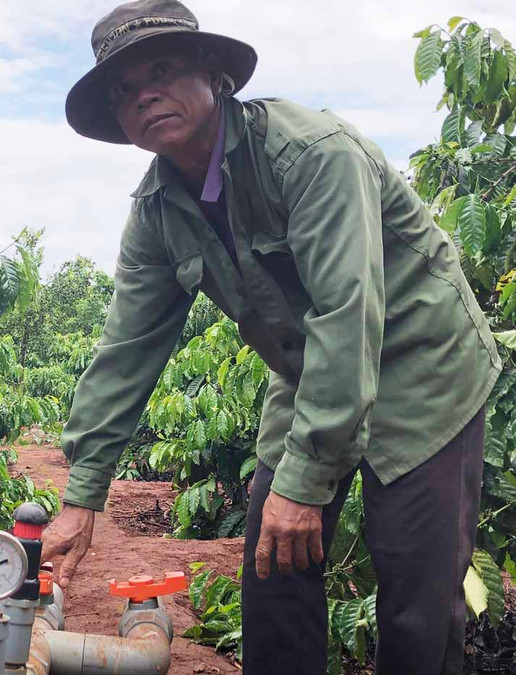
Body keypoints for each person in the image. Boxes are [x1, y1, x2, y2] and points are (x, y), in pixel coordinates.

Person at [39, 1, 502, 674]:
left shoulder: (312, 154)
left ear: (214, 75)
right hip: (311, 368)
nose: (143, 95)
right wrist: (81, 497)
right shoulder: (157, 212)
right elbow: (126, 350)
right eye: (123, 90)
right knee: (273, 560)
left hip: (423, 363)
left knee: (416, 593)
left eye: (161, 70)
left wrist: (305, 483)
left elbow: (348, 310)